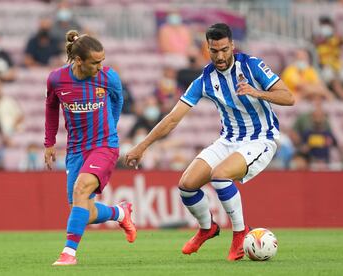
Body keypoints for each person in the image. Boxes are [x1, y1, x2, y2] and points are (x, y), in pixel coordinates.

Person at [125, 23, 294, 261]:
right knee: (186, 185)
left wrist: (258, 93)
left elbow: (289, 97)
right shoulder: (204, 80)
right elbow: (173, 118)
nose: (220, 55)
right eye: (215, 50)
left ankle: (240, 234)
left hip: (261, 139)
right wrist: (141, 146)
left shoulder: (252, 65)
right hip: (228, 140)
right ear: (208, 49)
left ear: (232, 46)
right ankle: (208, 228)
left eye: (225, 49)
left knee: (220, 175)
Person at [44, 30, 137, 266]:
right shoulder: (56, 79)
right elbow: (51, 108)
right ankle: (120, 213)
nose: (100, 66)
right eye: (95, 62)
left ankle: (68, 253)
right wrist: (49, 143)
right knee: (82, 208)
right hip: (75, 149)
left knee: (81, 189)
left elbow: (118, 100)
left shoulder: (108, 77)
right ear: (78, 61)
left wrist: (111, 127)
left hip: (104, 145)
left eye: (102, 61)